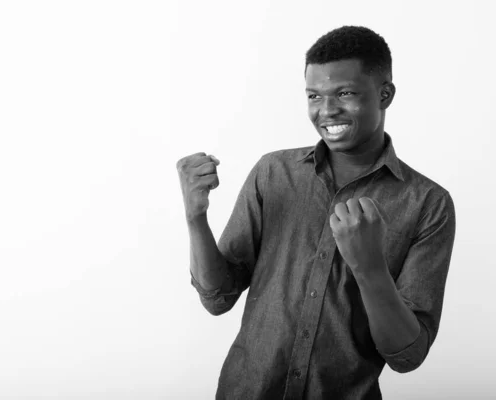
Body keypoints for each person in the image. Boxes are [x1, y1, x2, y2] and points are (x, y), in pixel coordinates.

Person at [176, 25, 456, 400]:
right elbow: (218, 297)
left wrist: (369, 267)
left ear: (385, 94)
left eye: (345, 93)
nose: (326, 111)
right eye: (314, 96)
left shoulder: (428, 204)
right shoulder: (272, 173)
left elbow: (407, 354)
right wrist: (196, 219)